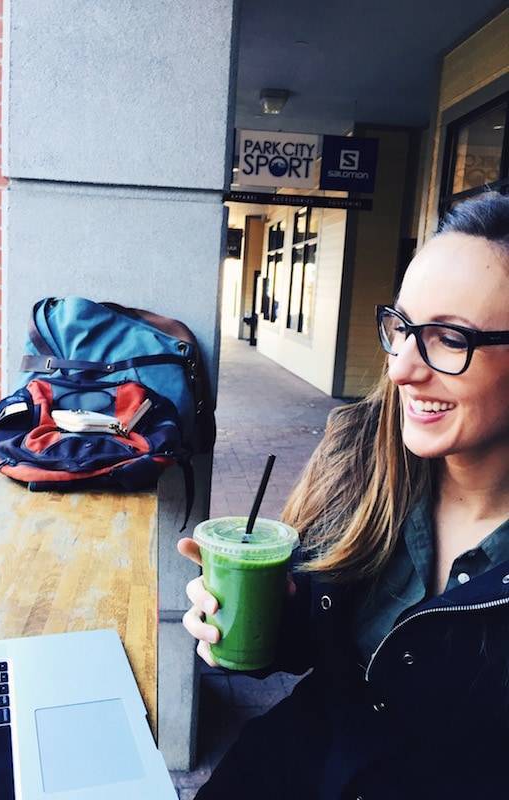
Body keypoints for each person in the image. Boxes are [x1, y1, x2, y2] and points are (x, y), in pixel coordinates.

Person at [177, 191, 509, 799]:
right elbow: (315, 649)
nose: (403, 368)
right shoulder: (363, 456)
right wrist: (267, 618)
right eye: (403, 328)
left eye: (450, 339)